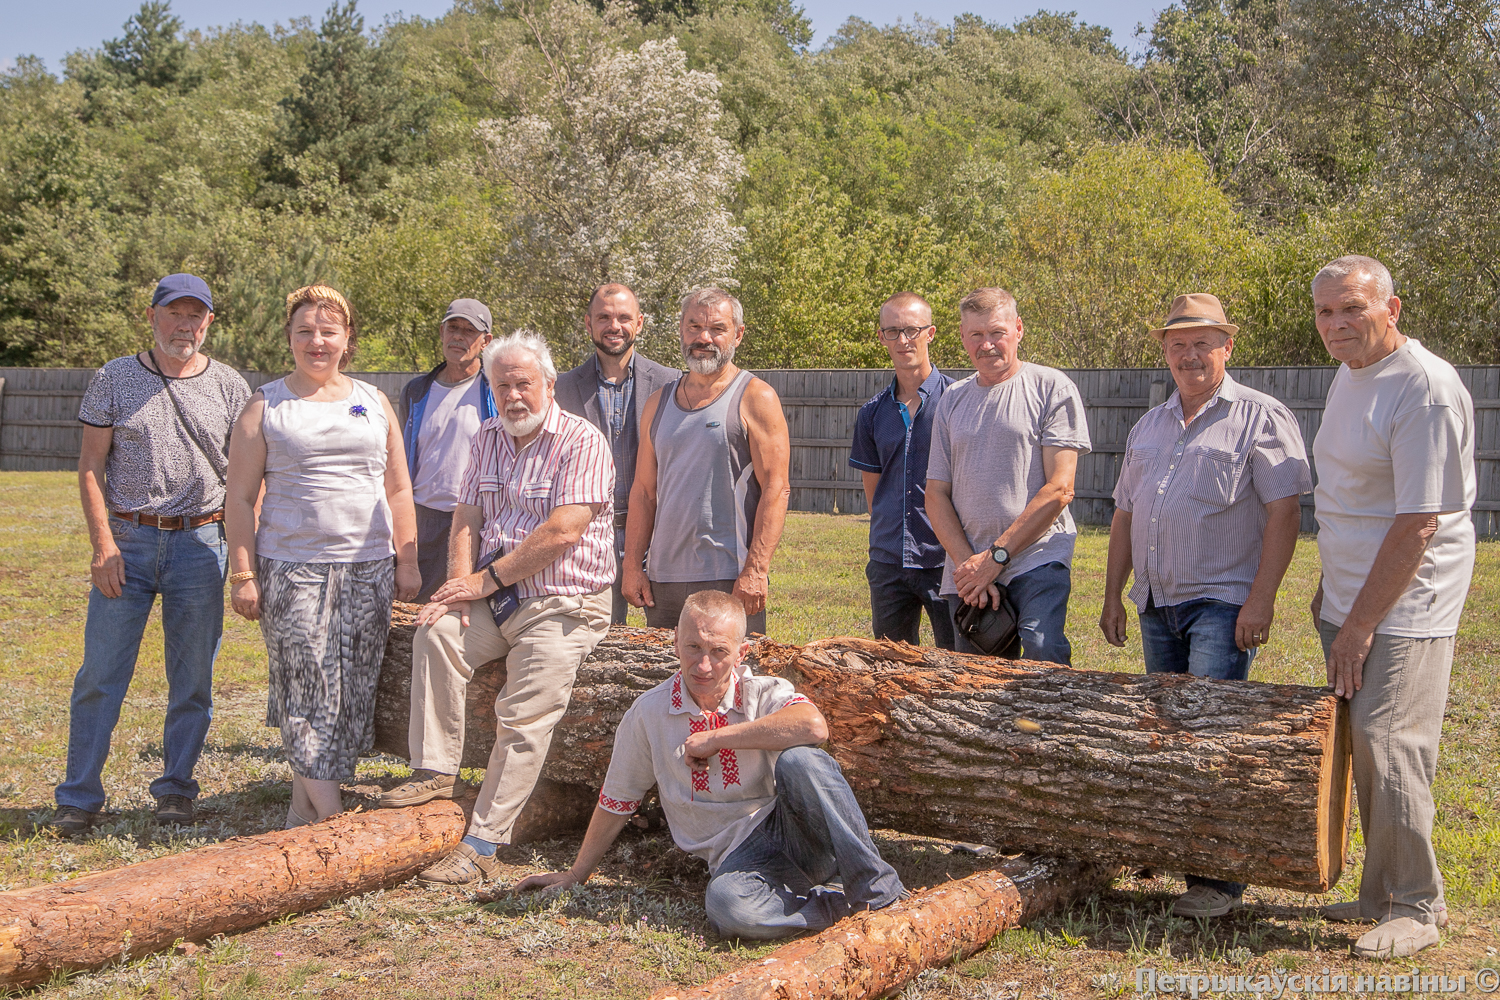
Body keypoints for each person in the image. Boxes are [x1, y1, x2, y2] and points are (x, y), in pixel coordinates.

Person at [515, 590, 906, 939]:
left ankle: (880, 894)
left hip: (794, 832)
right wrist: (576, 873)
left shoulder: (764, 692)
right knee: (727, 908)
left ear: (742, 653)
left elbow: (813, 726)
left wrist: (717, 738)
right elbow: (618, 799)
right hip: (738, 859)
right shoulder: (649, 714)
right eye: (693, 648)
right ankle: (840, 909)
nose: (703, 665)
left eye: (719, 651)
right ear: (674, 645)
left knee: (804, 760)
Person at [1099, 292, 1312, 918]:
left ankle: (1218, 882)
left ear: (1227, 345)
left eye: (1202, 343)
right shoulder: (1150, 424)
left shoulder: (1261, 417)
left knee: (1211, 733)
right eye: (1177, 344)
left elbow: (1285, 512)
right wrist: (1114, 591)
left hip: (1222, 601)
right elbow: (1125, 514)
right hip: (1158, 602)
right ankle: (1174, 846)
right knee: (1167, 731)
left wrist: (1261, 600)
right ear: (1163, 350)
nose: (1189, 355)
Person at [377, 331, 615, 885]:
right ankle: (434, 770)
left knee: (525, 711)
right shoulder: (486, 436)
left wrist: (485, 581)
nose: (513, 396)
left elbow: (563, 532)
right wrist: (461, 585)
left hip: (564, 602)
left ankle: (484, 840)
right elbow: (467, 517)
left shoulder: (582, 440)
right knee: (434, 634)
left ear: (549, 385)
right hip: (495, 594)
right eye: (501, 384)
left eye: (524, 384)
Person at [1307, 256, 1474, 959]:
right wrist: (1331, 593)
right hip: (1349, 594)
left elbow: (1417, 524)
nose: (1339, 324)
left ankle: (1417, 903)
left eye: (1353, 309)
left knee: (1390, 742)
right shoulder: (1352, 375)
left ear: (1392, 308)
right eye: (1326, 313)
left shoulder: (1423, 388)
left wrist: (1360, 625)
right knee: (1362, 745)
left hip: (1407, 601)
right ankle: (1379, 893)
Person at [53, 273, 251, 836]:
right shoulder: (114, 377)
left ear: (209, 322)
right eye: (174, 314)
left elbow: (246, 476)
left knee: (192, 679)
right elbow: (91, 466)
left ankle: (175, 789)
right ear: (152, 316)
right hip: (129, 543)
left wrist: (243, 557)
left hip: (201, 544)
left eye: (196, 316)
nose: (184, 325)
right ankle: (79, 795)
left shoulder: (230, 387)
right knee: (100, 674)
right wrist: (102, 545)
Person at [225, 284, 421, 828]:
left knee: (350, 690)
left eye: (328, 331)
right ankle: (333, 821)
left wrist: (406, 561)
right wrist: (243, 574)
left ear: (347, 338)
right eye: (305, 331)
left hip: (368, 567)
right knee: (306, 680)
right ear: (288, 337)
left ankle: (300, 806)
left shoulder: (373, 400)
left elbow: (399, 488)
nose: (317, 341)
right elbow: (238, 498)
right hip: (292, 567)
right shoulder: (265, 405)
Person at [925, 288, 1091, 664]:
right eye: (976, 335)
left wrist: (996, 558)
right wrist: (971, 564)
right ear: (964, 339)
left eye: (996, 332)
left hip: (1036, 557)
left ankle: (1051, 725)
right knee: (976, 682)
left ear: (1018, 329)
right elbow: (935, 493)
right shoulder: (952, 399)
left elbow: (1060, 488)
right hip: (967, 569)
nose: (987, 344)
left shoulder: (1052, 388)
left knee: (1041, 654)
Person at [622, 287, 791, 636]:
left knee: (732, 682)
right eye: (694, 326)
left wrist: (756, 570)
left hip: (728, 576)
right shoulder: (658, 402)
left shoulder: (756, 396)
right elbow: (643, 492)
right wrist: (631, 565)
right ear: (681, 330)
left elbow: (777, 488)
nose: (704, 337)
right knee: (666, 680)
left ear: (738, 335)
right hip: (663, 579)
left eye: (717, 328)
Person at [554, 283, 677, 623]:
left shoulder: (671, 384)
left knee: (670, 641)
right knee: (597, 641)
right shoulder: (561, 388)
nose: (614, 326)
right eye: (604, 317)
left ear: (639, 322)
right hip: (589, 537)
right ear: (588, 323)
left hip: (659, 533)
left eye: (624, 317)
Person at [848, 292, 955, 649]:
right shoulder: (872, 413)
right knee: (892, 666)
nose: (903, 340)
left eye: (912, 329)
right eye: (892, 331)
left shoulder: (958, 401)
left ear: (931, 333)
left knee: (958, 664)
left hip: (947, 560)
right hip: (888, 562)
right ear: (881, 337)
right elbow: (874, 494)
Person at [399, 299, 497, 601]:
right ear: (441, 332)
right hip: (423, 521)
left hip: (477, 519)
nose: (459, 337)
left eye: (469, 331)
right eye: (453, 328)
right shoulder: (416, 391)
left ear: (485, 341)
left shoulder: (496, 389)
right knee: (414, 607)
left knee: (468, 608)